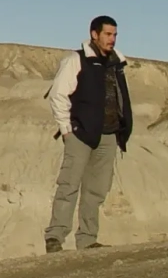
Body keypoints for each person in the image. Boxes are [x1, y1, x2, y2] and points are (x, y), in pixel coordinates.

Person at [44, 14, 132, 252]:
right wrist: (66, 129)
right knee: (69, 185)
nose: (112, 39)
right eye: (108, 34)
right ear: (94, 34)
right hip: (80, 134)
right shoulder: (77, 60)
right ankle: (55, 237)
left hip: (109, 135)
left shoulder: (117, 62)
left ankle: (87, 239)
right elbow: (58, 94)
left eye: (115, 35)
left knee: (97, 190)